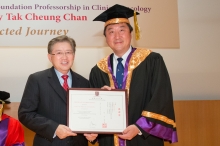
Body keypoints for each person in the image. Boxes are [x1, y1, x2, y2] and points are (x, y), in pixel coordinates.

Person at [89, 4, 178, 146]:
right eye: (111, 31)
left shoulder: (152, 61)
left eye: (122, 30)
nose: (117, 36)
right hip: (110, 141)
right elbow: (92, 111)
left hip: (144, 139)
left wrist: (139, 127)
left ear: (131, 33)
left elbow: (161, 98)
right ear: (106, 38)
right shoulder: (98, 70)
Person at [18, 35, 96, 146]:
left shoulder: (84, 83)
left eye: (68, 52)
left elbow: (90, 115)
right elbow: (25, 114)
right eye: (59, 53)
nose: (64, 57)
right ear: (50, 57)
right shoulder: (37, 80)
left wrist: (93, 134)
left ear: (73, 55)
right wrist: (54, 128)